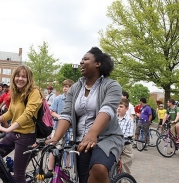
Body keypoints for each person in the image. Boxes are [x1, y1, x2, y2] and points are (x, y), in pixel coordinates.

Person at [46, 47, 124, 183]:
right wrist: (56, 138)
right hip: (81, 141)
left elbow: (107, 109)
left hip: (106, 138)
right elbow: (67, 115)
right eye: (81, 59)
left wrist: (92, 133)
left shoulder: (112, 85)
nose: (81, 62)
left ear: (98, 63)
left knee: (98, 169)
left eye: (86, 59)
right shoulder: (75, 88)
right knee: (84, 179)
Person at [0, 65, 42, 183]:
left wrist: (8, 129)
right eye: (18, 76)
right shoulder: (15, 91)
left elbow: (27, 114)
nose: (20, 79)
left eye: (24, 77)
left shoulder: (34, 92)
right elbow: (11, 111)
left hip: (26, 136)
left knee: (19, 174)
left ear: (29, 79)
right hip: (13, 133)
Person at [48, 79, 74, 171]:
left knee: (69, 149)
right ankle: (50, 169)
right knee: (53, 148)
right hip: (58, 127)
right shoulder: (58, 98)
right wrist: (59, 117)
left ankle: (67, 169)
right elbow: (51, 111)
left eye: (67, 87)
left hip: (70, 129)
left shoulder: (75, 99)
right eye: (63, 87)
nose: (64, 89)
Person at [117, 98, 134, 175]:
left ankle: (125, 179)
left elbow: (129, 133)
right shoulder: (114, 119)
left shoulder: (129, 120)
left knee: (125, 166)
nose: (118, 108)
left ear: (126, 109)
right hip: (115, 144)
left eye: (121, 107)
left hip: (125, 145)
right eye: (117, 106)